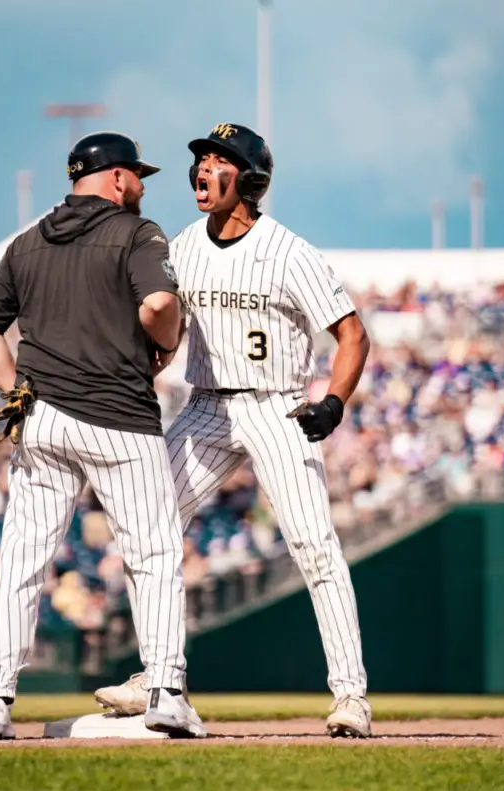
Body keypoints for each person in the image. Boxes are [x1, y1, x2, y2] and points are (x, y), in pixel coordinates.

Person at [95, 122, 372, 738]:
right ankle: (158, 674)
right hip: (204, 408)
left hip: (277, 406)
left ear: (247, 178)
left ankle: (350, 695)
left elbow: (351, 333)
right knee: (148, 523)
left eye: (217, 160)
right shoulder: (186, 245)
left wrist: (333, 401)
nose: (201, 169)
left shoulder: (289, 251)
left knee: (313, 546)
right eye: (200, 160)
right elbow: (162, 327)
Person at [0, 131, 206, 740]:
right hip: (120, 418)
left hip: (43, 417)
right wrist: (166, 342)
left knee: (23, 559)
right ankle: (165, 689)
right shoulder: (137, 232)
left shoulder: (27, 241)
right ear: (118, 178)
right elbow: (157, 304)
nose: (144, 185)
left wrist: (14, 390)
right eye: (138, 174)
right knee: (152, 555)